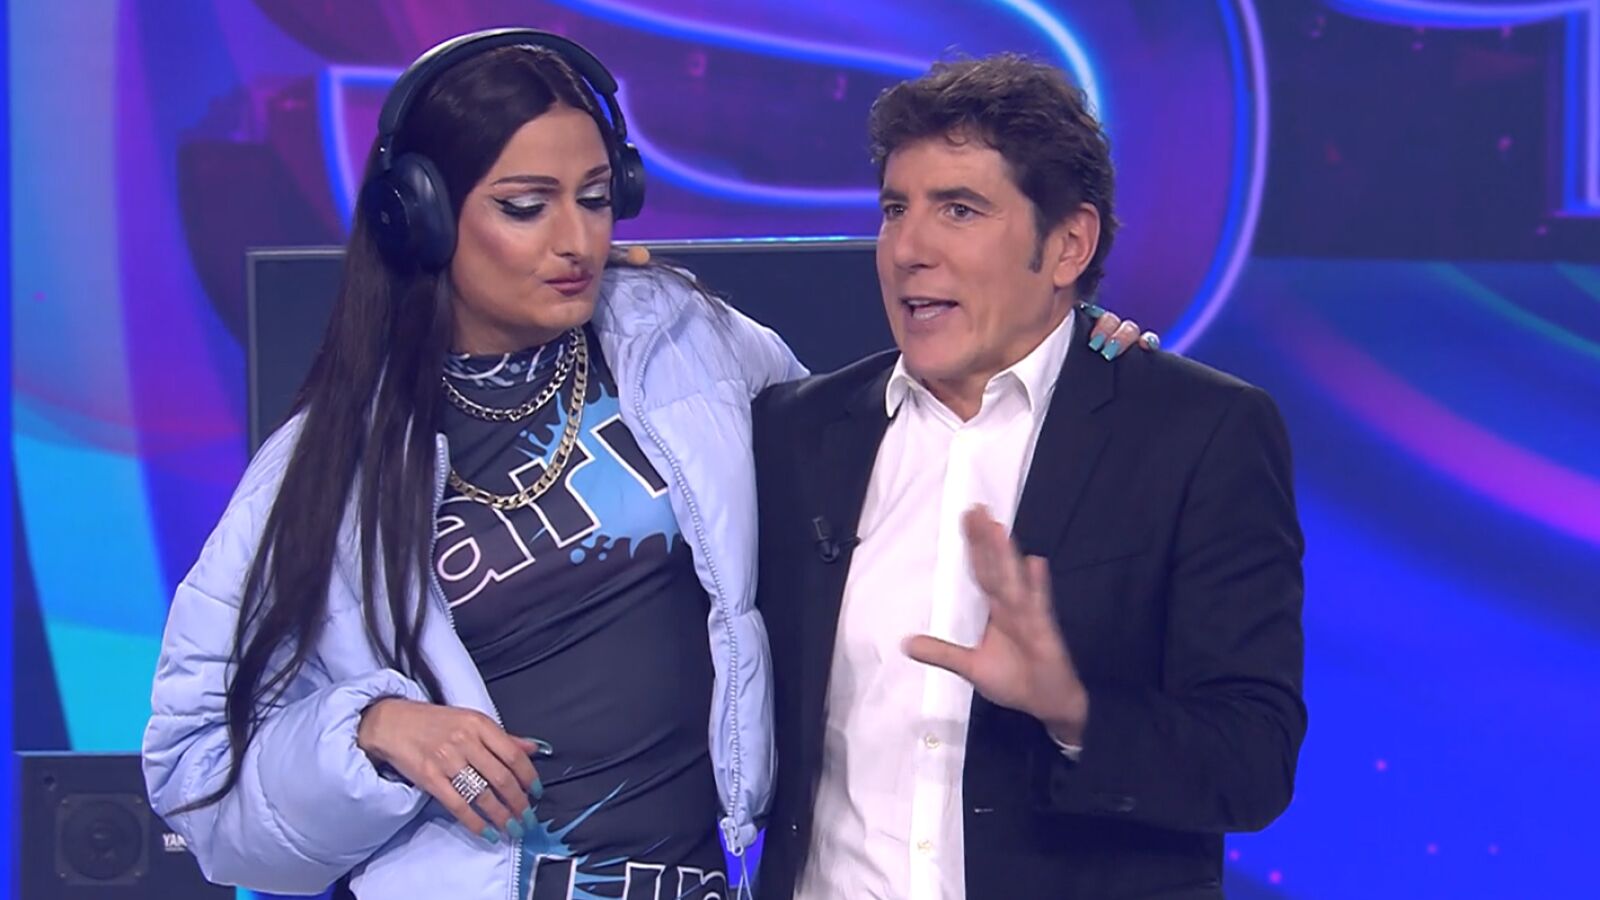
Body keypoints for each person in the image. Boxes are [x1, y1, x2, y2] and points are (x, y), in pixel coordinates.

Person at [141, 30, 1154, 900]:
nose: (576, 240)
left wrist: (1054, 347)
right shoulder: (324, 468)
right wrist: (371, 730)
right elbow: (195, 775)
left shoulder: (689, 348)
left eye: (594, 197)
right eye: (526, 206)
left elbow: (881, 452)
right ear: (424, 216)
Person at [753, 54, 1307, 900]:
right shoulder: (797, 432)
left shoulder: (1198, 435)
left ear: (1068, 245)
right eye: (896, 209)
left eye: (959, 210)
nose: (908, 249)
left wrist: (1074, 711)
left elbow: (1252, 761)